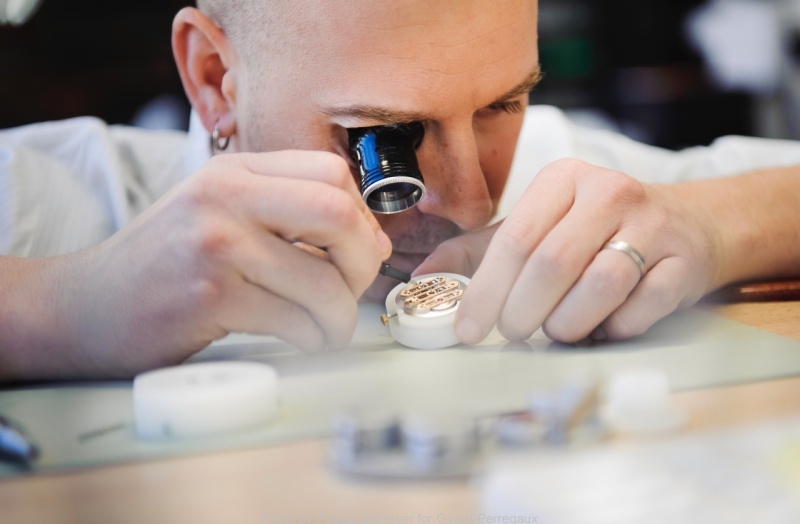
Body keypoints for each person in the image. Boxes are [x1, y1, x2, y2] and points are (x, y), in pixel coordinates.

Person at [1, 0, 799, 381]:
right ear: (217, 81)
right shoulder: (46, 200)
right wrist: (63, 305)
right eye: (384, 133)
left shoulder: (563, 184)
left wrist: (709, 223)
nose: (472, 201)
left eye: (502, 104)